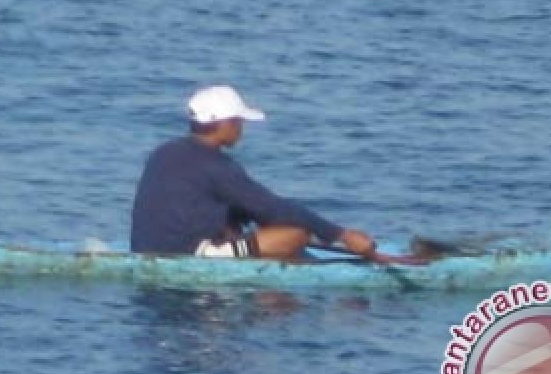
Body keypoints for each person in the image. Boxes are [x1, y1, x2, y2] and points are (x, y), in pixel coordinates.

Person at [130, 85, 378, 260]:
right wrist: (341, 234)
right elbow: (275, 209)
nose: (241, 129)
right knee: (295, 235)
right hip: (187, 254)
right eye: (238, 122)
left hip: (144, 247)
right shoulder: (217, 166)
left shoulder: (162, 152)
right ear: (223, 123)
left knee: (245, 226)